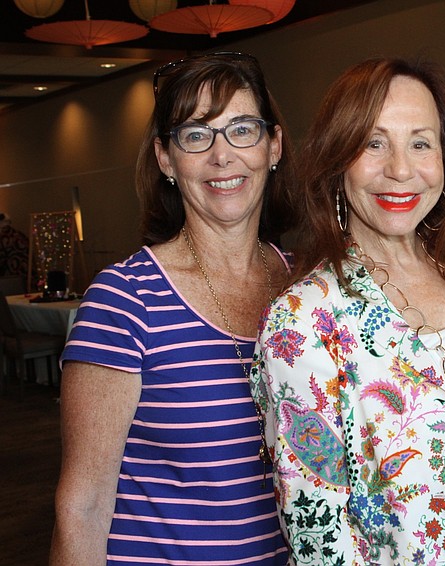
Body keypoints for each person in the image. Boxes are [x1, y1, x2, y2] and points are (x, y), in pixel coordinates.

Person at [250, 57, 445, 565]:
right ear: (337, 158)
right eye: (373, 142)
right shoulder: (303, 323)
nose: (401, 170)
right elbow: (319, 537)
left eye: (420, 142)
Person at [50, 52, 293, 565]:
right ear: (165, 158)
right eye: (195, 135)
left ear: (273, 145)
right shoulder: (123, 300)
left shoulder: (307, 290)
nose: (222, 156)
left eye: (241, 129)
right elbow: (84, 507)